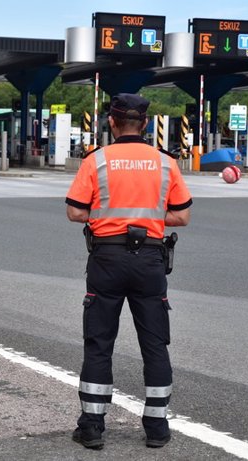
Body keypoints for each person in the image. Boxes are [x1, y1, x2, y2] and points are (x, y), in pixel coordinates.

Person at [65, 93, 192, 450]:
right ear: (146, 124)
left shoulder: (96, 161)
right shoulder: (165, 163)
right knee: (154, 342)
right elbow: (181, 216)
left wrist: (108, 217)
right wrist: (147, 218)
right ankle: (156, 426)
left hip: (107, 258)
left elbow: (75, 212)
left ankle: (91, 426)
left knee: (99, 341)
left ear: (112, 122)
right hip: (149, 260)